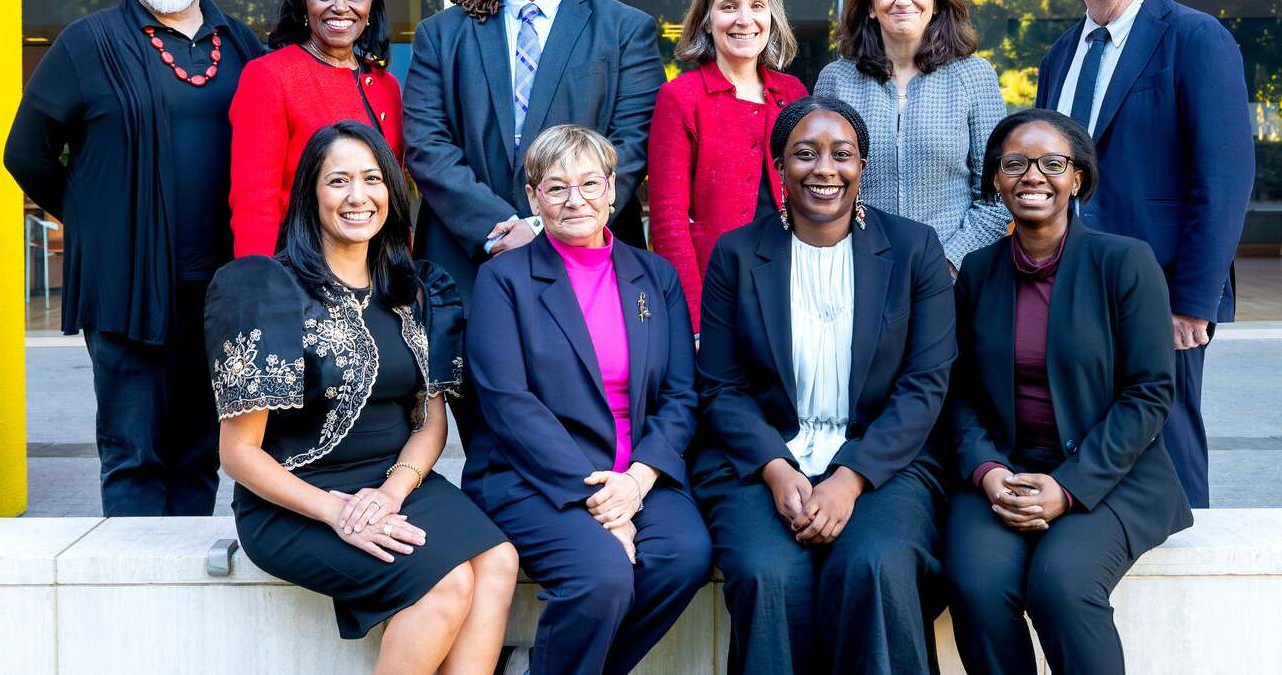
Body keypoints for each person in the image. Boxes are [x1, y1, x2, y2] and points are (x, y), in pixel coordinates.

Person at [205, 120, 518, 672]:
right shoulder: (267, 288)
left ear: (392, 194)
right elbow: (238, 454)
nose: (358, 197)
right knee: (444, 587)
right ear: (310, 195)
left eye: (372, 179)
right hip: (296, 500)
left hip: (393, 483)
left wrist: (393, 492)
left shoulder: (413, 289)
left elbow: (428, 422)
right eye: (338, 181)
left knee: (497, 561)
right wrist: (337, 511)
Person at [4, 0, 264, 516]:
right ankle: (131, 595)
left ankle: (184, 596)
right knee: (135, 451)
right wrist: (96, 221)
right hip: (124, 286)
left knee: (202, 449)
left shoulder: (242, 44)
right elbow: (26, 152)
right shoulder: (86, 43)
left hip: (221, 287)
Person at [693, 96, 956, 675]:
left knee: (875, 564)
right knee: (767, 570)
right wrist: (776, 467)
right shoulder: (736, 255)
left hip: (884, 459)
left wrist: (850, 479)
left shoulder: (915, 251)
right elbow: (720, 387)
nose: (824, 170)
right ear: (780, 165)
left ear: (862, 165)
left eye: (842, 155)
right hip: (760, 458)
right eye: (805, 154)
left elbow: (925, 386)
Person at [942, 108, 1192, 675]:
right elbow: (957, 395)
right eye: (1015, 165)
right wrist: (987, 472)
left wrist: (1068, 487)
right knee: (976, 584)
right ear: (997, 181)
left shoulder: (1125, 262)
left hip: (1109, 476)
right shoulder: (978, 272)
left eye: (1052, 163)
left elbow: (1150, 393)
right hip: (1004, 473)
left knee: (1061, 585)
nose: (1033, 176)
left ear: (1077, 177)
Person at [463, 125, 713, 675]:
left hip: (639, 469)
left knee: (682, 556)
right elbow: (509, 404)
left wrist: (639, 480)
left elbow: (679, 393)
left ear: (613, 189)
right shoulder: (503, 280)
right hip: (535, 473)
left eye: (589, 183)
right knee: (601, 576)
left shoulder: (656, 276)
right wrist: (601, 503)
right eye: (555, 188)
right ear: (533, 198)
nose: (575, 200)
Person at [1035, 0, 1255, 508]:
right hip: (1073, 282)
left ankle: (1192, 565)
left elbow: (1224, 180)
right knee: (1088, 433)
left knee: (1170, 436)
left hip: (1163, 291)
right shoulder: (1060, 55)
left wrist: (1195, 301)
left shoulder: (1194, 37)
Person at [403, 0, 664, 304]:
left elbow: (632, 146)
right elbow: (426, 145)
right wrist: (501, 229)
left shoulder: (625, 31)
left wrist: (543, 226)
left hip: (589, 263)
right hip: (468, 266)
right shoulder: (442, 35)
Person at [816, 0, 1009, 275]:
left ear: (935, 0)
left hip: (951, 280)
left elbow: (996, 195)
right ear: (871, 5)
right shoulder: (837, 81)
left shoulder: (974, 75)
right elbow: (820, 187)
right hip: (856, 272)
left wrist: (948, 263)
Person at [647, 0, 808, 333]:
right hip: (718, 294)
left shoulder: (793, 94)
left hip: (795, 287)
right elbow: (668, 222)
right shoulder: (681, 97)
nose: (744, 19)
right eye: (728, 6)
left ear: (771, 17)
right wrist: (695, 320)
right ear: (707, 19)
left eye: (757, 6)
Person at [229, 0, 404, 258]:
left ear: (370, 5)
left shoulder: (386, 85)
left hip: (376, 271)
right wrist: (261, 284)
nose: (341, 7)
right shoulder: (268, 76)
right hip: (300, 270)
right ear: (303, 3)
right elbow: (254, 201)